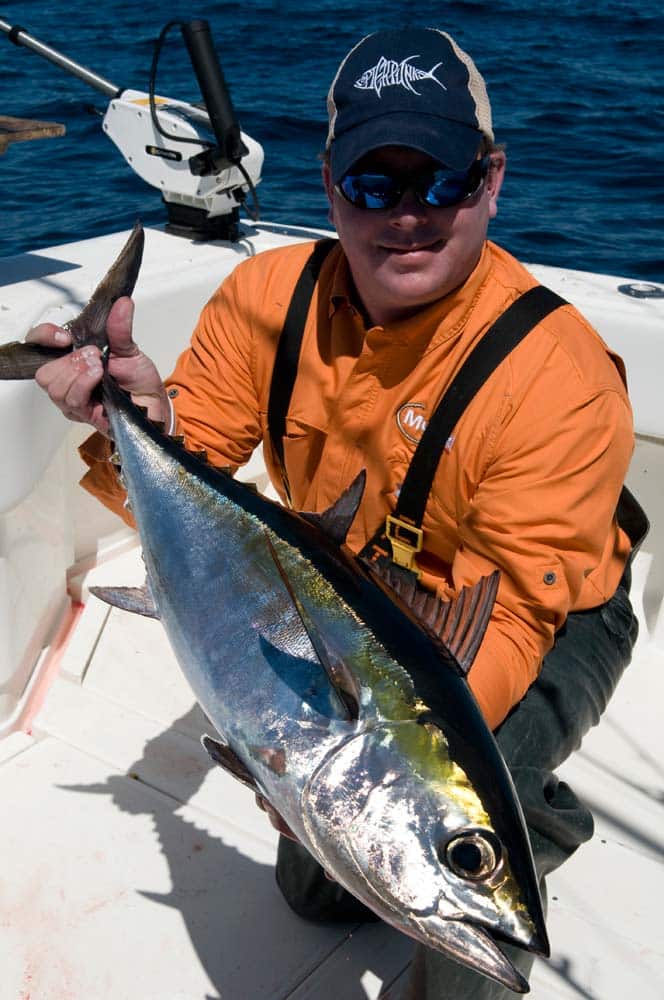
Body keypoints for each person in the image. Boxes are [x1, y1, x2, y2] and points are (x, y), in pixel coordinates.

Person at [26, 26, 643, 999]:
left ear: (489, 181)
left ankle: (508, 826)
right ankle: (538, 812)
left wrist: (351, 769)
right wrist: (135, 414)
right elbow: (197, 467)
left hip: (550, 618)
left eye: (438, 182)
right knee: (320, 889)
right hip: (354, 599)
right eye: (373, 184)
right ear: (327, 184)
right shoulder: (266, 297)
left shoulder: (557, 378)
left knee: (449, 874)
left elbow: (516, 615)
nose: (407, 216)